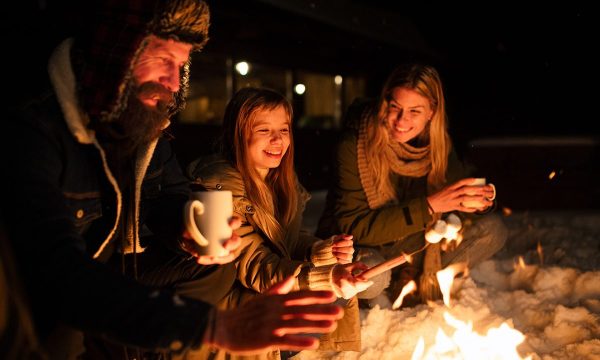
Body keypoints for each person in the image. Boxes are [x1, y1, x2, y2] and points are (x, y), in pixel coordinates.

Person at [0, 1, 344, 358]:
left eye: (181, 65)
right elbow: (55, 269)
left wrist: (188, 226)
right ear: (120, 53)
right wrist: (209, 326)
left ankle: (155, 346)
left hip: (120, 266)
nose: (173, 81)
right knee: (63, 337)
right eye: (163, 59)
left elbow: (170, 195)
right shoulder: (34, 130)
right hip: (42, 289)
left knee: (215, 266)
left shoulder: (142, 127)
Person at [187, 87, 373, 359]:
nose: (277, 140)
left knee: (339, 287)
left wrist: (320, 251)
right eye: (264, 130)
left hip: (264, 291)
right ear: (238, 134)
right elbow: (255, 264)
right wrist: (325, 278)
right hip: (230, 309)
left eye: (284, 130)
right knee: (327, 293)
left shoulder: (278, 180)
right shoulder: (216, 190)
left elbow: (285, 239)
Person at [316, 63, 507, 305]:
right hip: (362, 247)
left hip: (412, 244)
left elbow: (455, 202)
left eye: (414, 111)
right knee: (372, 275)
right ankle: (389, 291)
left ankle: (413, 282)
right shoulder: (354, 144)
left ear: (431, 111)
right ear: (385, 102)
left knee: (493, 230)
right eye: (395, 107)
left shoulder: (438, 146)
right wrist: (428, 206)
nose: (401, 120)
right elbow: (354, 226)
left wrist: (478, 202)